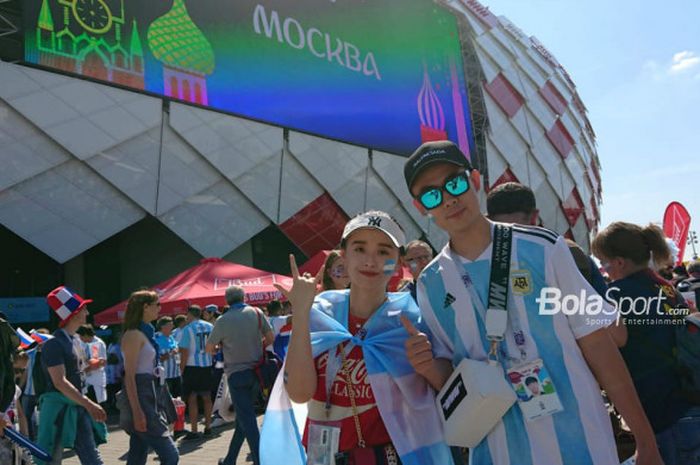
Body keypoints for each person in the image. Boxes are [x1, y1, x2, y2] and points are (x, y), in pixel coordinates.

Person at [402, 141, 663, 465]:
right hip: (496, 452)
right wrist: (428, 365)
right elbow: (450, 375)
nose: (448, 198)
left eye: (455, 182)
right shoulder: (430, 283)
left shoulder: (544, 248)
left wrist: (645, 439)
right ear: (420, 206)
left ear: (476, 180)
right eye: (432, 194)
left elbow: (599, 345)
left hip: (581, 445)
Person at [261, 211, 454, 465]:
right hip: (322, 455)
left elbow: (448, 384)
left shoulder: (412, 321)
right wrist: (301, 313)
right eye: (360, 249)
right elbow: (299, 393)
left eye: (384, 251)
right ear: (343, 256)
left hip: (388, 455)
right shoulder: (318, 313)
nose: (371, 260)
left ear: (398, 263)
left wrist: (428, 366)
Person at [592, 222, 700, 464]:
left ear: (619, 262)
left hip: (664, 415)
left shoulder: (615, 295)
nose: (603, 269)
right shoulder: (668, 289)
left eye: (602, 262)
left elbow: (605, 346)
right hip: (690, 401)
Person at [487, 181, 609, 297]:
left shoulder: (480, 259)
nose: (512, 241)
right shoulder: (570, 253)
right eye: (503, 232)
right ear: (534, 217)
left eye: (518, 231)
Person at [38, 286, 107, 465]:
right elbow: (60, 382)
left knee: (92, 458)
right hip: (59, 409)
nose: (87, 312)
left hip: (76, 405)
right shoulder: (54, 344)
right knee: (51, 459)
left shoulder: (74, 340)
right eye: (83, 309)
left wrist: (90, 367)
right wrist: (90, 404)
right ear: (74, 314)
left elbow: (76, 373)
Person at [206, 285, 274, 465]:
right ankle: (229, 459)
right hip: (257, 372)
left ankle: (261, 460)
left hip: (236, 374)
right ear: (244, 297)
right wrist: (258, 346)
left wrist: (222, 348)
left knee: (248, 419)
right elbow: (271, 338)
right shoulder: (257, 312)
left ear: (227, 301)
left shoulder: (223, 320)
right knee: (244, 418)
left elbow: (208, 348)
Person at [119, 290, 179, 465]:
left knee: (137, 455)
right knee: (170, 455)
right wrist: (137, 412)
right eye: (157, 304)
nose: (160, 308)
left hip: (151, 395)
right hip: (143, 399)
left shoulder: (146, 333)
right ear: (145, 307)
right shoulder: (133, 335)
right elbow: (129, 377)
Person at [179, 305, 214, 439]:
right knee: (207, 397)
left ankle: (194, 430)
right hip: (206, 364)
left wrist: (181, 369)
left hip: (192, 366)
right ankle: (208, 427)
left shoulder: (187, 329)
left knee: (192, 397)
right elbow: (216, 345)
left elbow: (184, 351)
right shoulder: (209, 326)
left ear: (189, 314)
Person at [77, 325, 108, 406]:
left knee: (98, 403)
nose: (80, 338)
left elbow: (97, 362)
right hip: (86, 379)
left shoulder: (97, 344)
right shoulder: (83, 343)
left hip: (95, 378)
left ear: (86, 335)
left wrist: (85, 370)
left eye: (81, 336)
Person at [155, 317, 181, 399]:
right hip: (165, 376)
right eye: (170, 325)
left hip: (176, 374)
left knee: (177, 399)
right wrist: (171, 353)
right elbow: (157, 359)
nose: (173, 326)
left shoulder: (171, 337)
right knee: (166, 400)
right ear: (163, 327)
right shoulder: (156, 339)